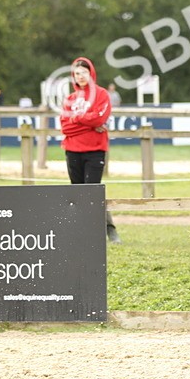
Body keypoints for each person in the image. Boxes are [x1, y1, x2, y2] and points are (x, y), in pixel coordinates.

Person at [60, 57, 120, 243]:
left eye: (84, 73)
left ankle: (109, 230)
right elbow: (65, 127)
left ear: (91, 73)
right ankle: (81, 233)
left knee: (92, 192)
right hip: (72, 150)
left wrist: (77, 119)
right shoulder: (70, 99)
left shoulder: (101, 95)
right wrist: (88, 123)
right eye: (77, 74)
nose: (81, 77)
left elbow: (99, 119)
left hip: (95, 150)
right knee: (77, 193)